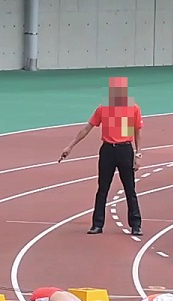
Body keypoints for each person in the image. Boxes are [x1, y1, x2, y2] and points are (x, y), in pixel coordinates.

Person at [58, 76, 143, 237]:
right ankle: (97, 224)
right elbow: (87, 128)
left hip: (125, 149)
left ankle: (136, 224)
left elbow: (137, 131)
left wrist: (138, 154)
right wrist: (70, 146)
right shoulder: (103, 109)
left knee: (129, 189)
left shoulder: (133, 109)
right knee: (102, 188)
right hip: (108, 150)